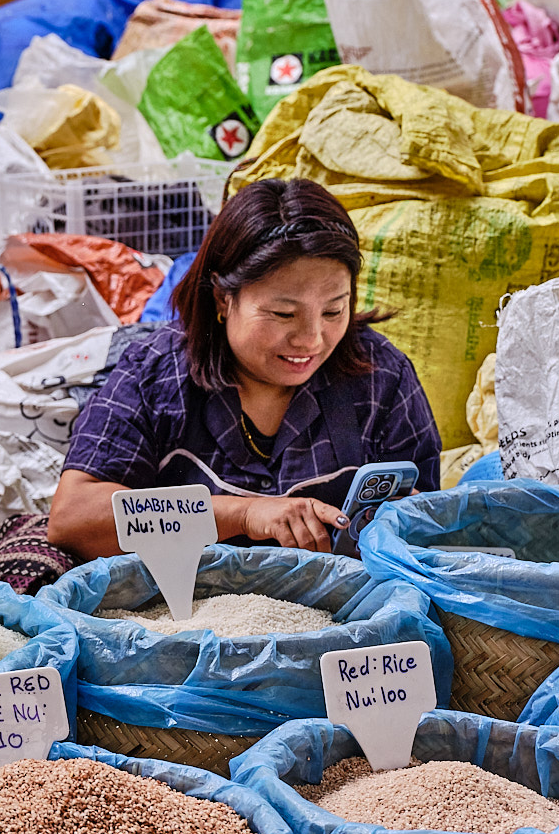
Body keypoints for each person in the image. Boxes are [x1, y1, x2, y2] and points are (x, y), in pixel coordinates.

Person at [47, 177, 441, 562]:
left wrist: (406, 522)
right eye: (283, 313)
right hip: (181, 602)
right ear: (223, 297)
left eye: (333, 311)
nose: (311, 339)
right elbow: (73, 518)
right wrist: (243, 514)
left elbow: (430, 519)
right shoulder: (154, 374)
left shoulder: (381, 377)